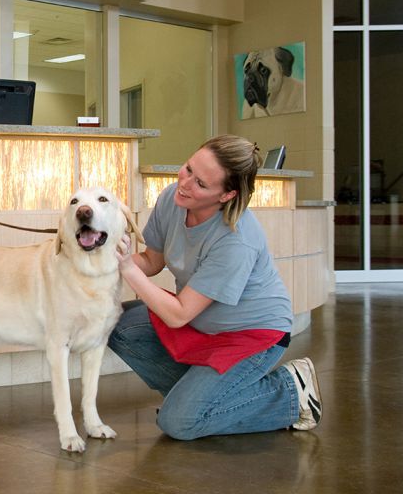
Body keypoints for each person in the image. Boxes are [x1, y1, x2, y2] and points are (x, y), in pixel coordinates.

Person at [108, 134, 322, 440]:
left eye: (201, 184)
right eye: (189, 168)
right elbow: (153, 261)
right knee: (114, 322)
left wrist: (127, 268)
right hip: (201, 324)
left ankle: (288, 391)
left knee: (178, 424)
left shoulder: (237, 239)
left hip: (252, 335)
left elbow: (179, 314)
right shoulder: (173, 198)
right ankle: (201, 400)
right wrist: (113, 255)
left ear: (226, 195)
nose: (185, 183)